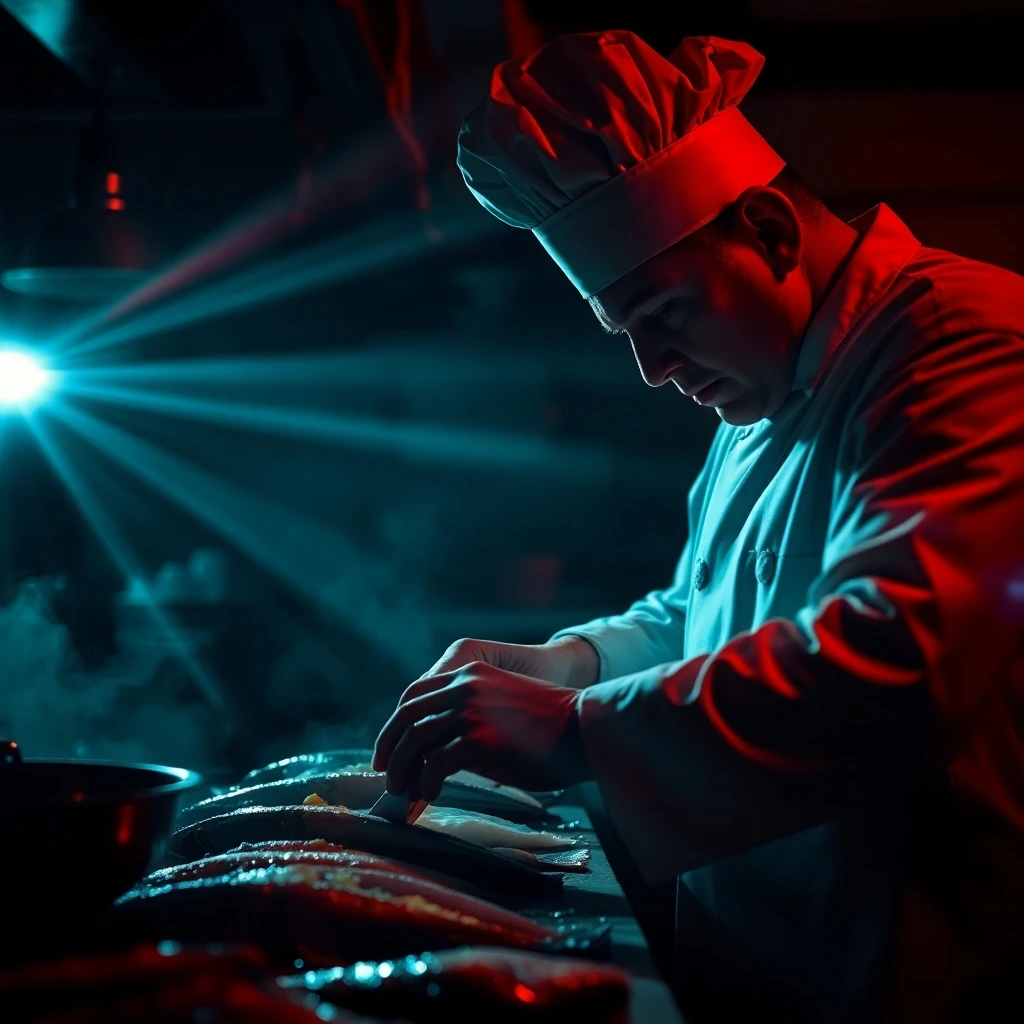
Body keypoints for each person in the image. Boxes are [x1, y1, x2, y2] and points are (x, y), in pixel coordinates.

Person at [372, 31, 1024, 1022]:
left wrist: (578, 731)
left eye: (660, 315)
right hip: (769, 951)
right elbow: (711, 611)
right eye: (622, 331)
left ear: (765, 227)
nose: (650, 368)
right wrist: (572, 663)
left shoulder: (967, 345)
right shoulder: (767, 383)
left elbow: (903, 653)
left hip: (917, 958)